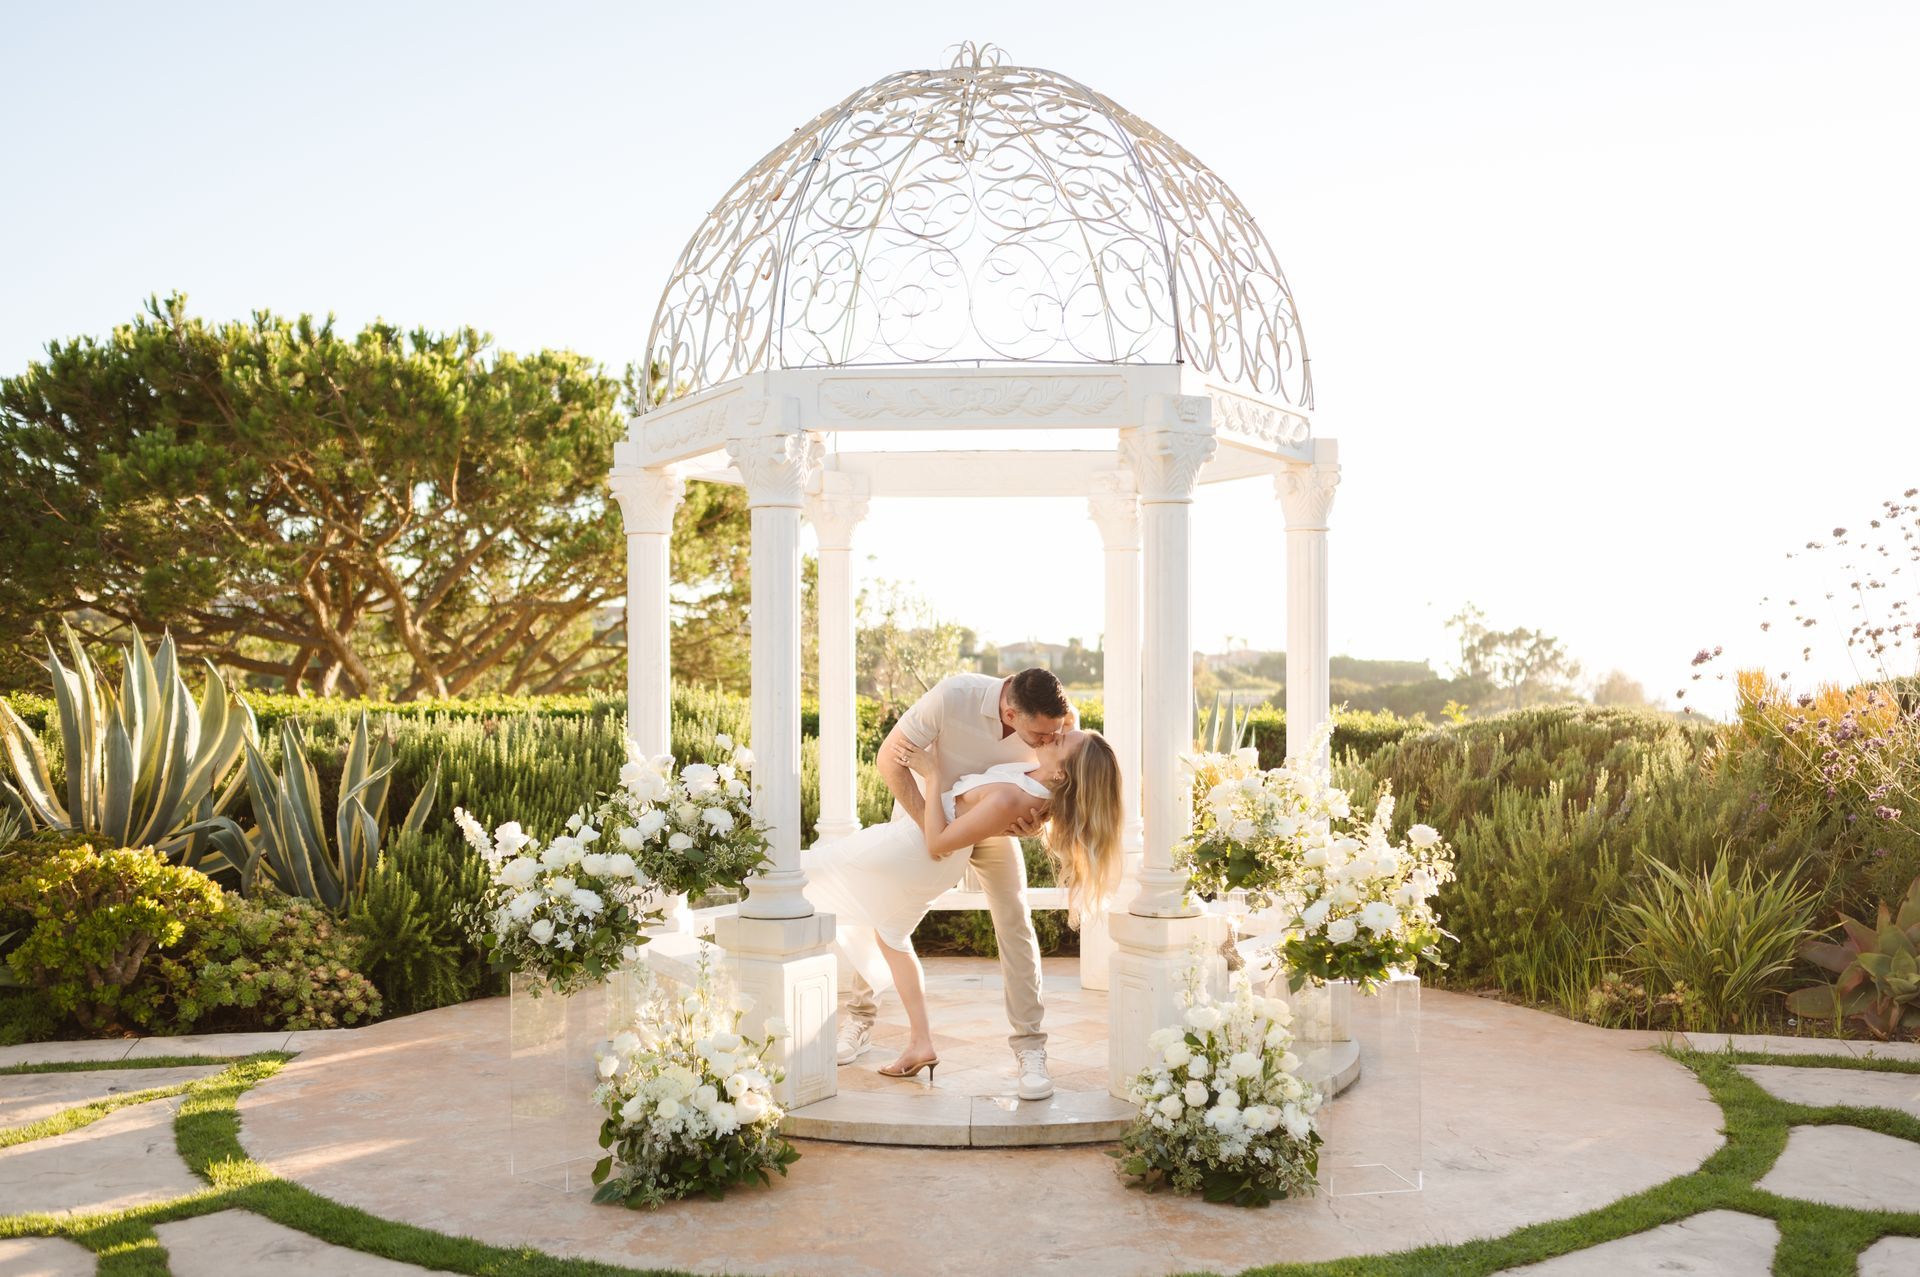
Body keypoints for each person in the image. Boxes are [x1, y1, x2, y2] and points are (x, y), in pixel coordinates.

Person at [814, 668, 1105, 1099]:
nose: (1050, 740)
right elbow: (890, 757)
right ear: (1010, 713)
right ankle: (860, 1018)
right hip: (929, 816)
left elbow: (1061, 785)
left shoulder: (1060, 722)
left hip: (993, 825)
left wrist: (1032, 826)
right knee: (881, 910)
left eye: (1056, 733)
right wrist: (937, 830)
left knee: (1014, 918)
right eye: (1041, 735)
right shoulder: (953, 696)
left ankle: (1030, 1048)